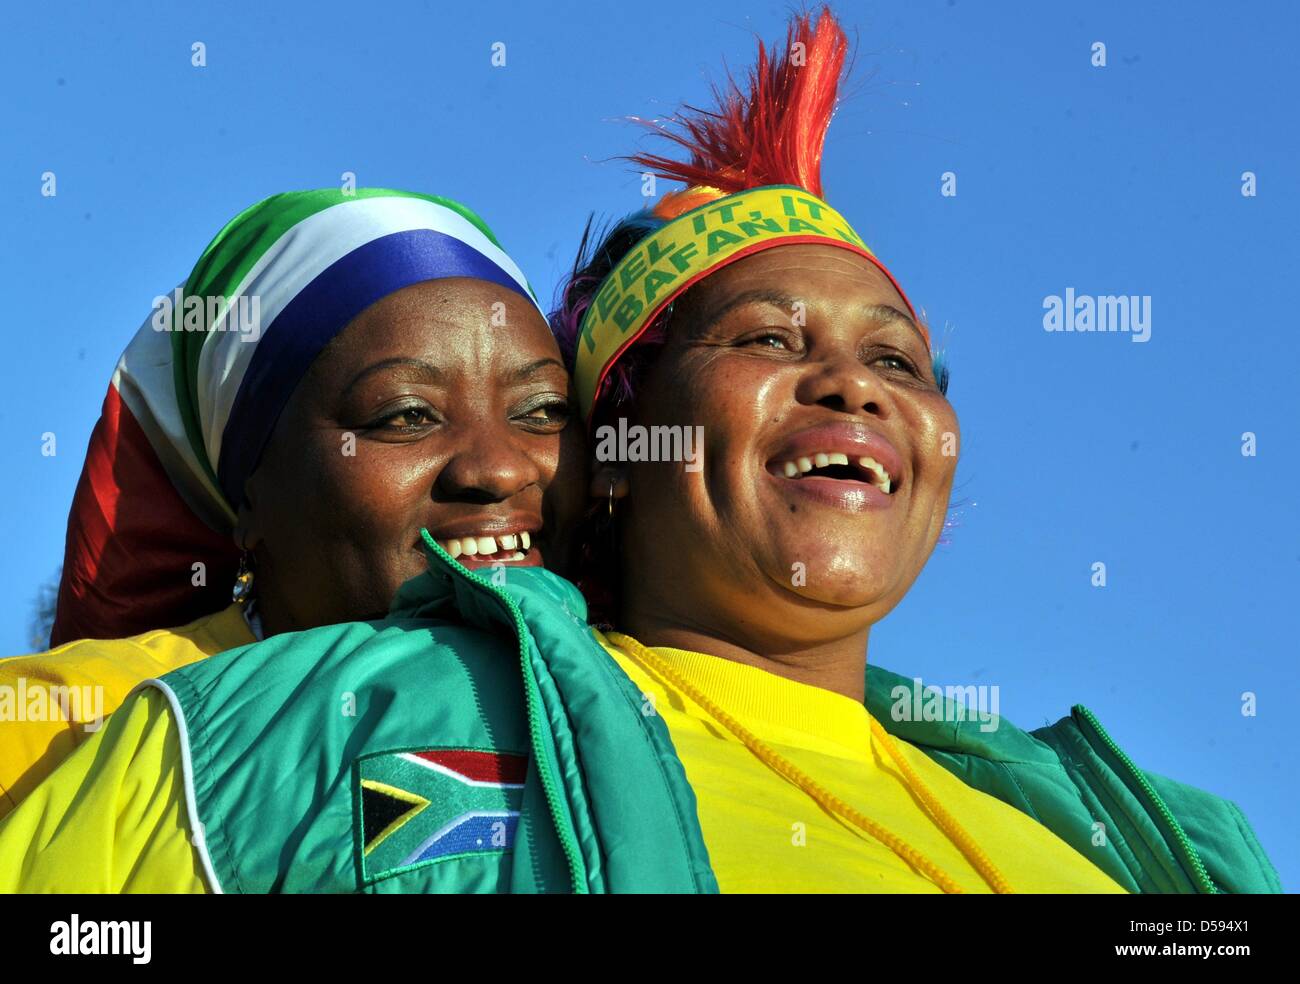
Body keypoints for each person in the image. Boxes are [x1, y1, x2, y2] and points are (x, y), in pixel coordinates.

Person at [0, 9, 1279, 894]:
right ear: (618, 446)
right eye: (769, 338)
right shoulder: (318, 720)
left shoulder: (1151, 844)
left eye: (897, 359)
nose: (851, 382)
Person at [0, 187, 584, 819]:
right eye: (407, 415)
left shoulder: (639, 702)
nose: (497, 468)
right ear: (249, 493)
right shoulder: (51, 736)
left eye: (544, 410)